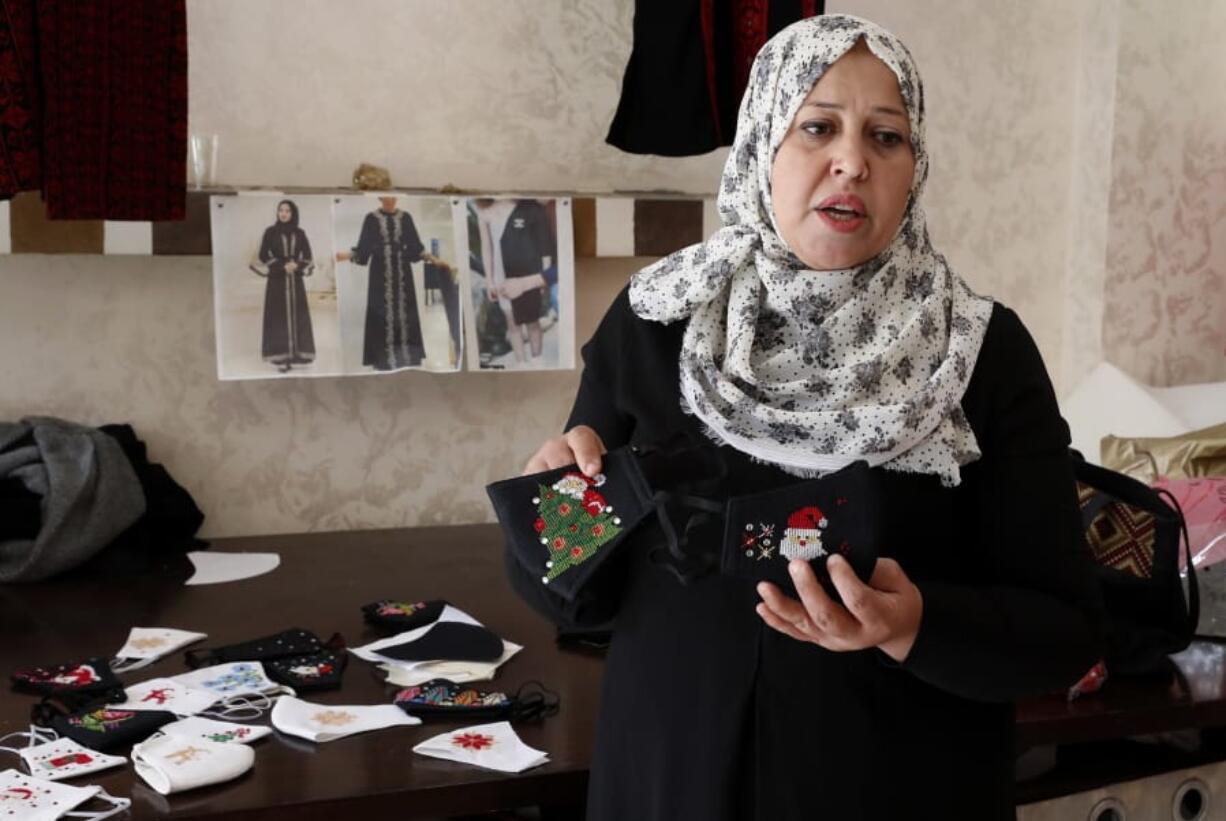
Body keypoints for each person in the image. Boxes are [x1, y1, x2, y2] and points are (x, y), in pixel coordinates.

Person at [508, 15, 1103, 821]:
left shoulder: (977, 353)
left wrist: (914, 624)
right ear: (762, 146)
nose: (851, 162)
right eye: (817, 126)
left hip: (901, 788)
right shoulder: (658, 323)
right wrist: (560, 510)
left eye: (886, 137)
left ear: (914, 168)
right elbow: (572, 598)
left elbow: (1064, 629)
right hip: (671, 780)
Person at [336, 197, 450, 371]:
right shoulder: (371, 218)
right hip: (378, 273)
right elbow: (363, 248)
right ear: (380, 197)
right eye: (386, 196)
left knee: (405, 311)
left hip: (402, 270)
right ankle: (383, 359)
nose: (390, 199)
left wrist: (434, 259)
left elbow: (416, 248)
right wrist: (344, 255)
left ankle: (407, 357)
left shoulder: (406, 218)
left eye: (392, 195)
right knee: (380, 311)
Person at [475, 198, 554, 366]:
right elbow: (487, 248)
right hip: (501, 274)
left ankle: (537, 361)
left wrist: (543, 278)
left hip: (529, 271)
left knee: (532, 320)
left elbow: (543, 246)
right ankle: (521, 363)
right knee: (512, 322)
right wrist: (490, 281)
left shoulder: (528, 208)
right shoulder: (484, 212)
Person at [251, 199, 315, 373]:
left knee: (297, 314)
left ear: (293, 213)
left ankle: (298, 354)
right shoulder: (270, 232)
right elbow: (263, 254)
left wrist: (297, 265)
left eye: (287, 211)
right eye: (281, 210)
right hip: (277, 280)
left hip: (295, 280)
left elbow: (308, 256)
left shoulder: (300, 233)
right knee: (278, 315)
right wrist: (281, 265)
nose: (283, 213)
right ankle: (280, 355)